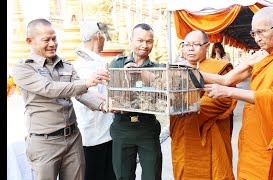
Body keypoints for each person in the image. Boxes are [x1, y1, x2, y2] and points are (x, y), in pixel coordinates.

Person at [203, 7, 273, 179]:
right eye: (254, 33)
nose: (257, 38)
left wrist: (229, 92)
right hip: (254, 134)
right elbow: (226, 80)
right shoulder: (259, 58)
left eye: (261, 32)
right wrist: (188, 73)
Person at [12, 18, 110, 180]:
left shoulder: (66, 65)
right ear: (30, 41)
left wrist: (104, 105)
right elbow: (49, 89)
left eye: (54, 38)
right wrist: (86, 83)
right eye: (46, 40)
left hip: (73, 139)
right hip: (44, 143)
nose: (52, 43)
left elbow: (81, 93)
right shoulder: (23, 68)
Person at [170, 30, 237, 180]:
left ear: (207, 46)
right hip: (183, 133)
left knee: (215, 171)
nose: (190, 48)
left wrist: (187, 107)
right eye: (187, 44)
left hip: (211, 133)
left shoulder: (220, 68)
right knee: (184, 170)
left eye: (196, 44)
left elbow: (223, 99)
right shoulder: (174, 70)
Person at [108, 23, 162, 180]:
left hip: (147, 127)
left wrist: (141, 73)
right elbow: (113, 93)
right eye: (140, 40)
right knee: (123, 176)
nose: (144, 45)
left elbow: (162, 95)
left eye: (149, 41)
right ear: (131, 40)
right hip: (122, 127)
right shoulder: (117, 63)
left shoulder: (157, 68)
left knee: (152, 175)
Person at [72, 21, 116, 180]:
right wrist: (114, 102)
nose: (104, 39)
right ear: (99, 36)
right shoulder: (81, 64)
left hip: (107, 131)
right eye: (104, 36)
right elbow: (86, 94)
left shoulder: (95, 60)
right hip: (93, 135)